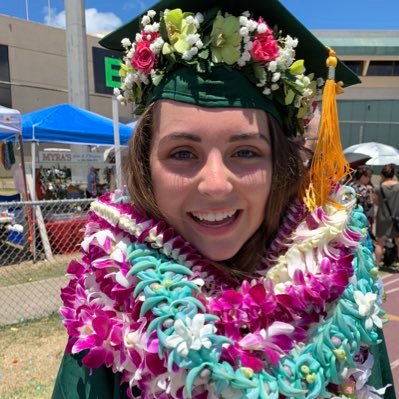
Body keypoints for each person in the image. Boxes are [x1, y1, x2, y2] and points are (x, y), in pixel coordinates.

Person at [52, 1, 395, 398]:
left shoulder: (344, 292)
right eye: (182, 153)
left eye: (245, 151)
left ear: (279, 164)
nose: (215, 185)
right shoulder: (110, 299)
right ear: (147, 166)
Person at [374, 163, 399, 266]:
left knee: (380, 244)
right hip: (397, 218)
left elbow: (376, 202)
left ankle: (377, 265)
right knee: (398, 242)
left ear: (382, 174)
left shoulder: (379, 188)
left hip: (382, 218)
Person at [349, 165, 375, 230]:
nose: (369, 179)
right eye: (369, 177)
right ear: (363, 176)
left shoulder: (350, 185)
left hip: (350, 217)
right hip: (361, 218)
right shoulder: (364, 189)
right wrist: (370, 192)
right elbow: (370, 204)